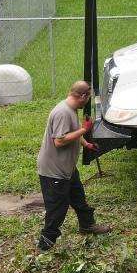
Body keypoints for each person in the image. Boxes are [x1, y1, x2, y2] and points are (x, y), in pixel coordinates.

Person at [36, 81, 111, 251]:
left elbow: (73, 132)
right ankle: (45, 245)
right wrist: (84, 130)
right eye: (88, 97)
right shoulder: (63, 112)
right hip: (54, 171)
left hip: (67, 168)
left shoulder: (71, 109)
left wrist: (86, 144)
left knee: (78, 198)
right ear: (83, 96)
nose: (88, 101)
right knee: (57, 210)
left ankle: (87, 225)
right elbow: (59, 140)